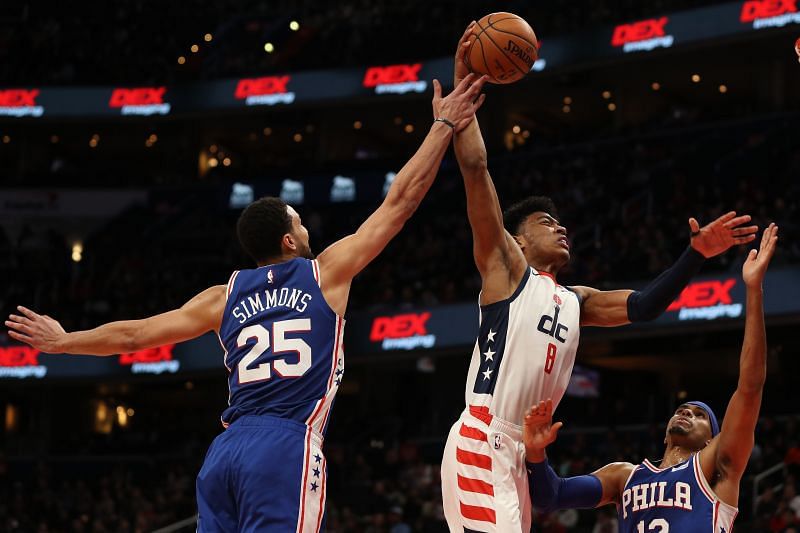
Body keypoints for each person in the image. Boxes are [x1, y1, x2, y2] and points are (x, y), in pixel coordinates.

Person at [5, 74, 488, 532]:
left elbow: (134, 334)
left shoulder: (222, 296)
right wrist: (443, 125)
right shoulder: (326, 272)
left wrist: (65, 340)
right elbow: (399, 202)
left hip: (225, 452)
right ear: (289, 239)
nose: (307, 229)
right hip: (284, 445)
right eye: (300, 223)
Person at [440, 22, 761, 533]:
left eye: (561, 221)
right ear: (518, 241)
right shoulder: (505, 268)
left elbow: (646, 306)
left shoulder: (576, 301)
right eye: (546, 223)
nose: (560, 226)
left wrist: (695, 254)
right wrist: (461, 105)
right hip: (484, 437)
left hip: (521, 452)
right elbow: (477, 170)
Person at [523, 224, 778, 532]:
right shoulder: (623, 476)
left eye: (700, 416)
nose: (687, 412)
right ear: (665, 433)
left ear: (711, 439)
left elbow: (749, 388)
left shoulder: (716, 465)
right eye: (685, 409)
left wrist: (753, 290)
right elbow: (552, 496)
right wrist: (536, 454)